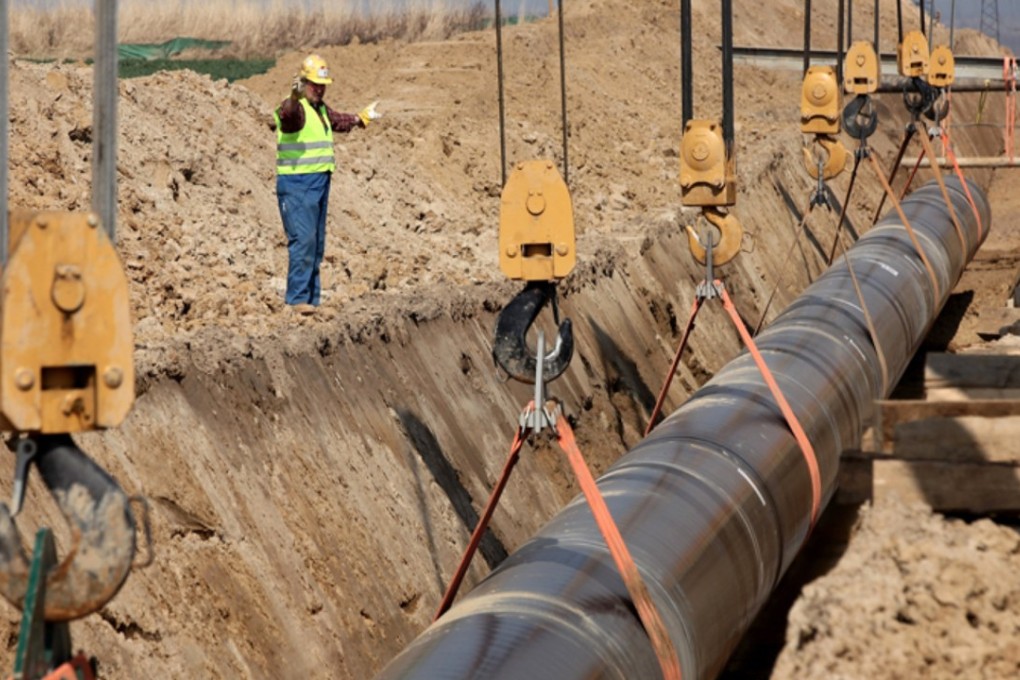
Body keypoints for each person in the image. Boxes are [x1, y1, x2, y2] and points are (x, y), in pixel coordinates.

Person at [273, 53, 381, 314]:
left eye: (322, 85)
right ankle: (297, 300)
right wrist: (294, 96)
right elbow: (288, 114)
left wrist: (361, 118)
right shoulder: (296, 109)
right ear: (303, 83)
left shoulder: (319, 109)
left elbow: (337, 120)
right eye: (314, 85)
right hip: (297, 184)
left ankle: (311, 300)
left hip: (319, 183)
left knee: (316, 243)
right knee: (303, 241)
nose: (319, 90)